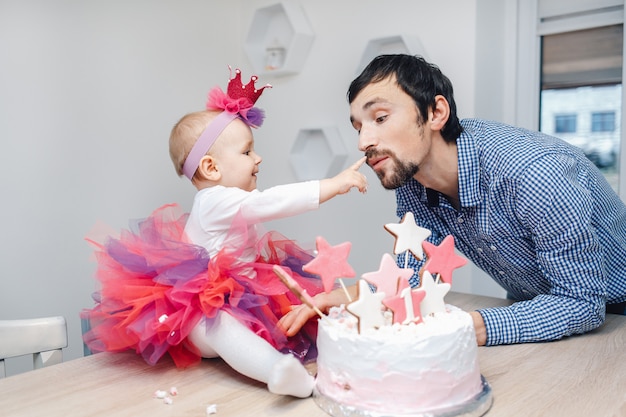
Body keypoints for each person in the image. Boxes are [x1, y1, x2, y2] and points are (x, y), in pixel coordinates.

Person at [279, 54, 626, 347]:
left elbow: (582, 301)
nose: (363, 142)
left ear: (435, 113)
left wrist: (465, 327)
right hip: (537, 310)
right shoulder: (412, 180)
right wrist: (337, 297)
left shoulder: (533, 174)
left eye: (380, 118)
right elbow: (409, 276)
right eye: (358, 127)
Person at [82, 67, 367, 398]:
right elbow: (273, 201)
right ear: (211, 168)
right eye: (247, 152)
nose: (258, 158)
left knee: (286, 305)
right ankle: (277, 371)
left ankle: (326, 354)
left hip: (241, 296)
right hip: (198, 310)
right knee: (218, 326)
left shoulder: (231, 201)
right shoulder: (214, 201)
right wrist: (333, 184)